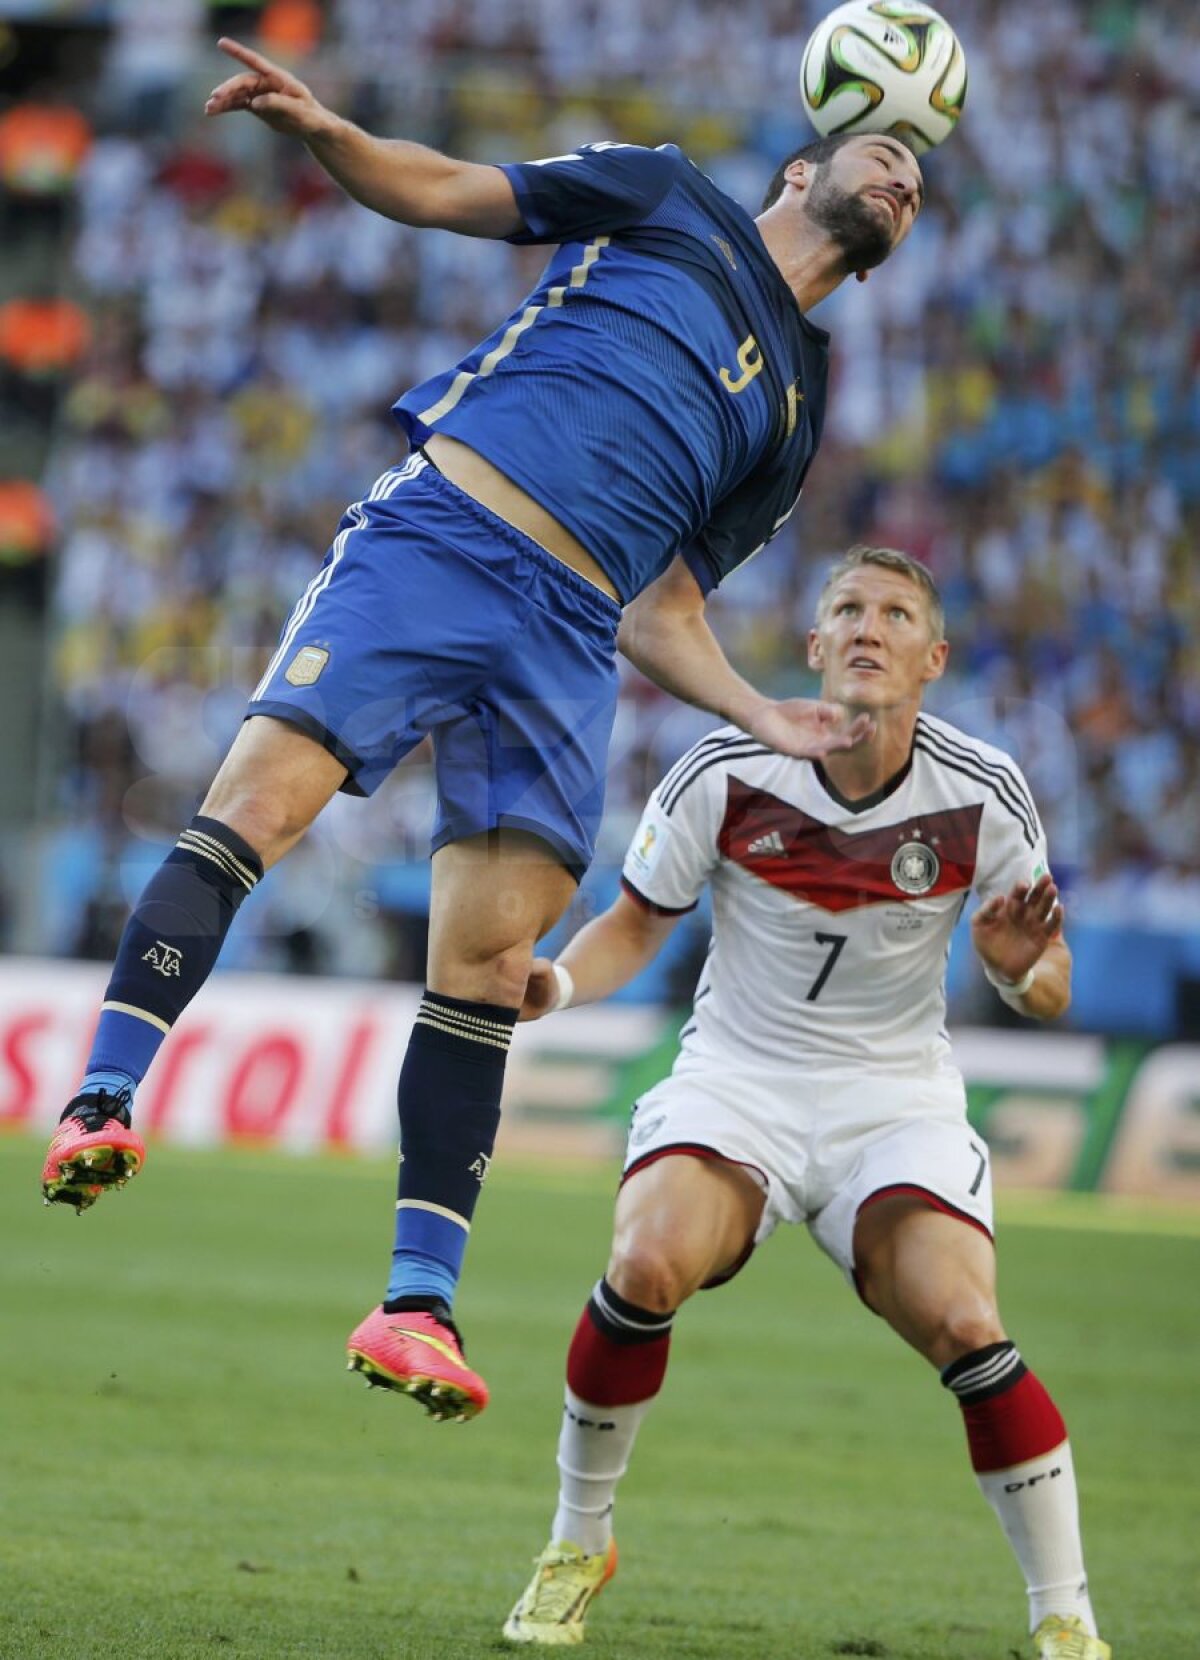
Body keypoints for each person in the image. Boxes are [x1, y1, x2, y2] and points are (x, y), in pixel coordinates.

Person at [40, 36, 925, 1425]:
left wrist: (762, 711)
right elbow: (456, 187)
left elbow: (667, 599)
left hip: (571, 636)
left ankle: (415, 1306)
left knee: (491, 963)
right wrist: (331, 132)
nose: (902, 177)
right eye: (885, 152)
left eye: (920, 182)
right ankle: (99, 1096)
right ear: (804, 164)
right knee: (261, 806)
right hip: (445, 536)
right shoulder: (666, 195)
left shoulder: (798, 411)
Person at [501, 547, 1110, 1660]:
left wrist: (1024, 970)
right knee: (643, 1264)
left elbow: (1051, 977)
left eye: (894, 613)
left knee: (969, 1324)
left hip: (896, 1103)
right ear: (818, 646)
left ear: (931, 659)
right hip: (740, 1082)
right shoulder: (727, 769)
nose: (868, 627)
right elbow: (638, 920)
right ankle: (576, 1543)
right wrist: (559, 982)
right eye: (847, 610)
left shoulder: (983, 789)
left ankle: (1063, 1615)